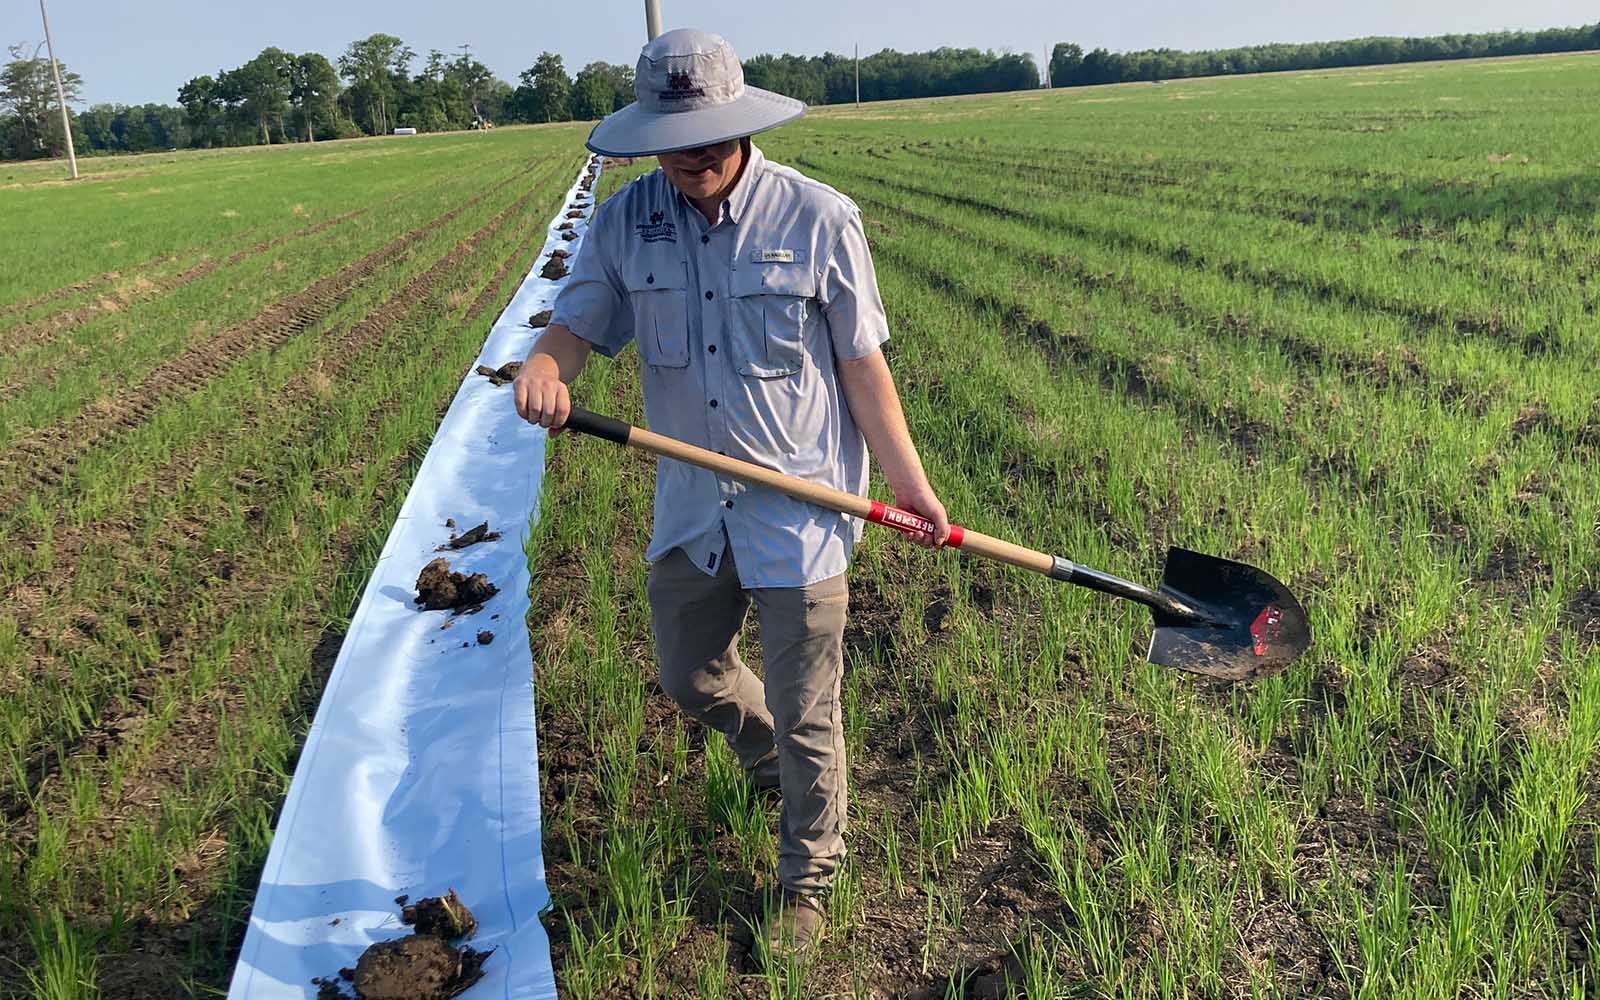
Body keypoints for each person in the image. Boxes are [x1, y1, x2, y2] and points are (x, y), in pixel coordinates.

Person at [513, 27, 949, 958]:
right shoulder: (630, 221)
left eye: (713, 133)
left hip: (802, 517)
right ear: (651, 139)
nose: (698, 154)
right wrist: (547, 366)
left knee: (810, 713)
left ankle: (806, 881)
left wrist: (913, 488)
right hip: (694, 512)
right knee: (687, 673)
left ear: (743, 123)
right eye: (678, 139)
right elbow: (578, 318)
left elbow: (864, 368)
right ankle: (771, 763)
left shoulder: (819, 218)